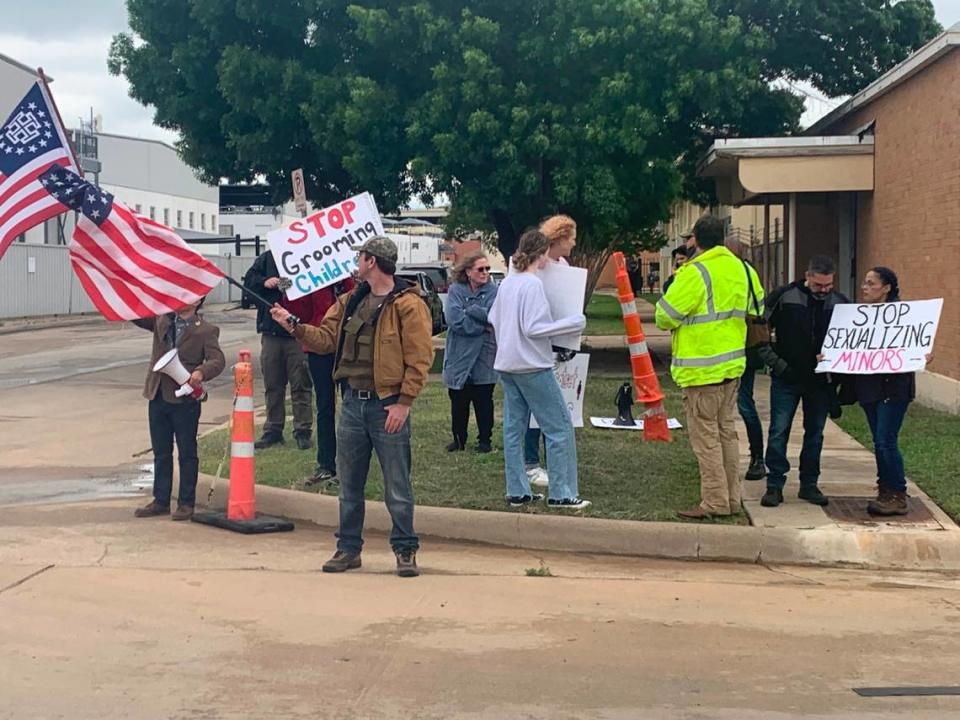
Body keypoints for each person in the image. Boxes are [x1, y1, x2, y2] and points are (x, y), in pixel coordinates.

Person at [270, 236, 434, 578]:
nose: (356, 262)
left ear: (371, 261)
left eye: (360, 257)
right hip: (352, 406)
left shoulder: (408, 304)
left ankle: (405, 550)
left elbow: (420, 359)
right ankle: (347, 549)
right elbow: (327, 339)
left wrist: (403, 403)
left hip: (387, 407)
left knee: (397, 485)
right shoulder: (348, 301)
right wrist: (296, 327)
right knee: (349, 485)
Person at [655, 215, 750, 520]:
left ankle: (714, 502)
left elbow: (665, 316)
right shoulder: (741, 267)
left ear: (694, 239)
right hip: (733, 366)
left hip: (701, 370)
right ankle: (732, 499)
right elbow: (757, 302)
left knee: (706, 440)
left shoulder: (694, 272)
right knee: (727, 434)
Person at [488, 229, 589, 509]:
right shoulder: (532, 284)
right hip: (532, 365)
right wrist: (573, 323)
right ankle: (562, 493)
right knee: (559, 428)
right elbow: (534, 328)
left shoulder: (508, 283)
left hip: (507, 365)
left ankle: (517, 490)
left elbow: (492, 317)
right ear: (542, 254)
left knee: (513, 429)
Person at [760, 255, 849, 508]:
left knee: (815, 435)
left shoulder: (840, 303)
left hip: (820, 381)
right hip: (786, 377)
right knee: (778, 431)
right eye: (820, 285)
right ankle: (774, 485)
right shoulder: (784, 297)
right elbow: (758, 331)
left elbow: (851, 341)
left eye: (829, 285)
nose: (824, 290)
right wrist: (777, 365)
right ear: (808, 276)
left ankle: (809, 485)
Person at [133, 297, 225, 520]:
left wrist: (201, 372)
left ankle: (186, 502)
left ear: (197, 302)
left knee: (186, 452)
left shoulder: (206, 330)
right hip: (157, 393)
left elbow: (217, 360)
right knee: (161, 451)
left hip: (184, 399)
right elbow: (135, 314)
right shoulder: (162, 320)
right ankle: (161, 500)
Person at [852, 267, 916, 516]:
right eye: (864, 283)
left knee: (885, 440)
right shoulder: (860, 316)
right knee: (879, 443)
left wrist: (922, 355)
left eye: (870, 283)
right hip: (870, 387)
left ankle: (897, 493)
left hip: (894, 387)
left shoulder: (904, 315)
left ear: (886, 287)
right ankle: (885, 489)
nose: (864, 287)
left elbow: (915, 341)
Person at [523, 214, 577, 489]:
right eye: (571, 238)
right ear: (559, 238)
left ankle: (554, 460)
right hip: (537, 345)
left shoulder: (564, 266)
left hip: (559, 342)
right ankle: (530, 462)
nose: (574, 244)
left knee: (556, 406)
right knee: (535, 407)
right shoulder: (536, 270)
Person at [246, 250, 314, 451]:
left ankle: (302, 430)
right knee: (273, 385)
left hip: (297, 333)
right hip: (271, 333)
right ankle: (273, 430)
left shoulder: (308, 256)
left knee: (301, 384)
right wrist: (265, 281)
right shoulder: (267, 258)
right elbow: (249, 282)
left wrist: (281, 283)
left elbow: (305, 283)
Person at [300, 276, 354, 487]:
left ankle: (347, 466)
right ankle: (325, 464)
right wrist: (288, 285)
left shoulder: (351, 282)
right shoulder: (312, 281)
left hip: (348, 347)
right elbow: (300, 311)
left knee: (350, 407)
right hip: (320, 348)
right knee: (324, 407)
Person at [443, 251, 499, 453]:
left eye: (487, 269)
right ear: (468, 271)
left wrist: (470, 310)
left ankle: (485, 441)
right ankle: (459, 439)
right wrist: (481, 327)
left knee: (484, 400)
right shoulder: (456, 290)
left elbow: (494, 316)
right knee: (459, 400)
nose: (485, 273)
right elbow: (454, 319)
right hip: (459, 354)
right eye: (480, 269)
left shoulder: (494, 291)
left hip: (485, 354)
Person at [725, 239, 767, 481]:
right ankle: (757, 458)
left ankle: (756, 458)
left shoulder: (735, 273)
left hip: (734, 344)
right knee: (744, 402)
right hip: (746, 346)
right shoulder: (750, 273)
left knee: (742, 404)